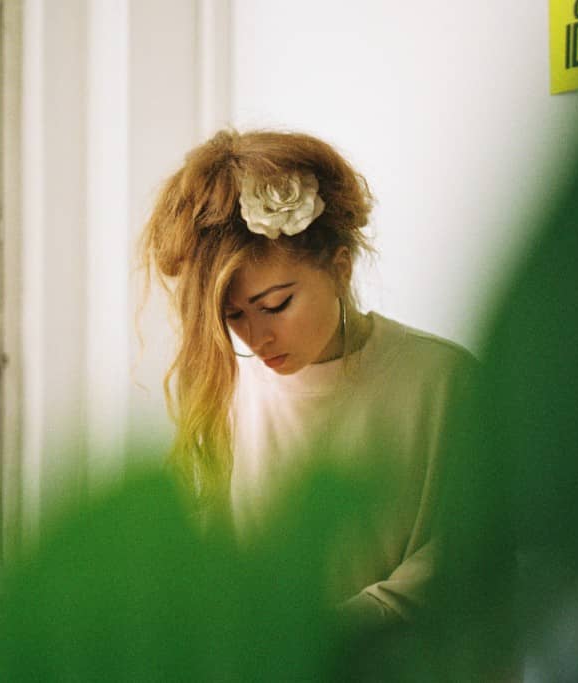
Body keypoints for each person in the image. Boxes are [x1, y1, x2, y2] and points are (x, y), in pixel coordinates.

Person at [141, 128, 475, 631]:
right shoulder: (228, 388)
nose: (258, 338)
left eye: (276, 305)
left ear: (339, 268)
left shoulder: (444, 380)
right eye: (234, 317)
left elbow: (469, 552)